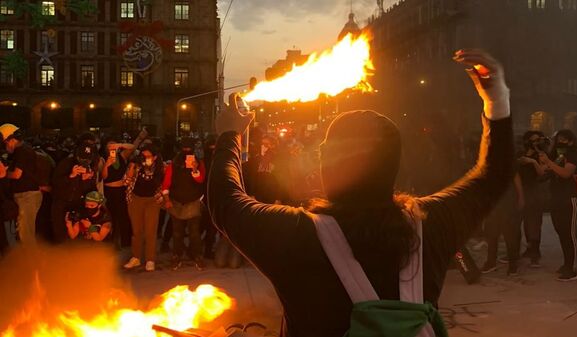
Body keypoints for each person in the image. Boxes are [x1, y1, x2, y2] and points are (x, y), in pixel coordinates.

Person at [208, 50, 513, 337]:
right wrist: (497, 99)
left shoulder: (295, 234)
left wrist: (230, 135)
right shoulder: (431, 225)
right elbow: (494, 176)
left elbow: (226, 201)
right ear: (394, 163)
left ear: (325, 160)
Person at [539, 130, 577, 281]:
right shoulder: (556, 155)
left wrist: (549, 163)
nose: (561, 142)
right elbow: (544, 172)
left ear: (571, 141)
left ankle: (572, 268)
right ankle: (566, 264)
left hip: (570, 199)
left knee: (569, 234)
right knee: (561, 232)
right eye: (559, 139)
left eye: (564, 140)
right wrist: (542, 161)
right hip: (556, 199)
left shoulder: (573, 154)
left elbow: (566, 173)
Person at [162, 137, 207, 270]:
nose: (187, 151)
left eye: (189, 148)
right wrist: (167, 199)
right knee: (177, 233)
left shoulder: (199, 163)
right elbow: (166, 183)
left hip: (193, 202)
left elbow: (201, 180)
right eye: (184, 148)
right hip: (176, 202)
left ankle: (197, 256)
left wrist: (194, 169)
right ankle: (177, 256)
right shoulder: (173, 164)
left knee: (194, 233)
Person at [101, 130, 146, 248]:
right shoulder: (103, 159)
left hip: (121, 190)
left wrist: (119, 145)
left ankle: (125, 242)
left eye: (113, 145)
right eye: (109, 146)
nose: (112, 148)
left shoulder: (121, 156)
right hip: (109, 192)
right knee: (111, 217)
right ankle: (111, 242)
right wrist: (107, 165)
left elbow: (132, 147)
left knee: (124, 217)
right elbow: (103, 177)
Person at [123, 144, 164, 272]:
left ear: (155, 157)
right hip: (136, 199)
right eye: (143, 155)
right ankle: (136, 257)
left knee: (151, 230)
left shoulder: (160, 168)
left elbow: (161, 184)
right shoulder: (136, 165)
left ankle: (150, 259)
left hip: (152, 200)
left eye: (148, 156)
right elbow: (126, 181)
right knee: (137, 230)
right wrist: (132, 169)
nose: (145, 158)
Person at [0, 124, 43, 245]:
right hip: (25, 195)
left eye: (5, 143)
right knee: (22, 232)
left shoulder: (22, 151)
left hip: (27, 196)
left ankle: (30, 261)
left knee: (26, 233)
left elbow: (17, 174)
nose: (5, 146)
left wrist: (3, 173)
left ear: (12, 140)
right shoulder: (24, 151)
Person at [51, 143, 99, 243]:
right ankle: (59, 252)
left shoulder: (91, 167)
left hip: (77, 204)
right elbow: (54, 183)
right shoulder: (65, 163)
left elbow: (92, 192)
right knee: (60, 233)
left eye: (88, 159)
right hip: (61, 203)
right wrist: (71, 176)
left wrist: (87, 180)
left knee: (77, 234)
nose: (85, 162)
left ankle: (75, 253)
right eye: (82, 159)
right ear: (77, 156)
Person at [481, 174, 525, 276]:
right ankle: (491, 262)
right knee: (491, 233)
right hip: (492, 201)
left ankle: (513, 265)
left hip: (507, 199)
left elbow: (515, 175)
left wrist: (521, 196)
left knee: (509, 234)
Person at [517, 131, 549, 267]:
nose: (536, 143)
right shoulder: (519, 155)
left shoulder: (541, 156)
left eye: (538, 140)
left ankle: (535, 254)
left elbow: (542, 172)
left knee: (534, 224)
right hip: (520, 192)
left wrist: (533, 161)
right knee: (521, 223)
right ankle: (527, 249)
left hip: (535, 193)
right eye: (533, 140)